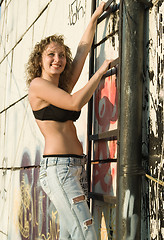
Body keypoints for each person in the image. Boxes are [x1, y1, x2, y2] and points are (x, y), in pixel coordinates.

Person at [26, 2, 111, 240]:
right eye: (51, 54)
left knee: (71, 234)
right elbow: (74, 103)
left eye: (62, 55)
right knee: (86, 232)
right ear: (39, 60)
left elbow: (82, 52)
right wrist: (101, 71)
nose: (58, 59)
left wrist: (94, 18)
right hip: (59, 169)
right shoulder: (38, 86)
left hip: (75, 169)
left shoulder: (61, 87)